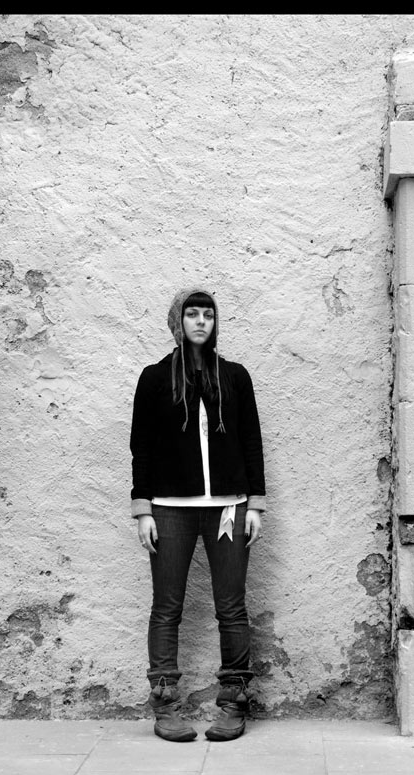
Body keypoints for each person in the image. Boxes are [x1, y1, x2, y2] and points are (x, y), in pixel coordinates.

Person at [130, 287, 266, 742]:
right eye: (192, 314)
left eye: (208, 314)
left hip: (229, 506)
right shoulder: (154, 378)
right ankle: (165, 704)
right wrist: (143, 509)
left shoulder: (235, 376)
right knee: (167, 607)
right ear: (179, 321)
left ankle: (233, 701)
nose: (201, 321)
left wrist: (255, 503)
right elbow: (141, 446)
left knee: (232, 607)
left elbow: (251, 440)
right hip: (170, 509)